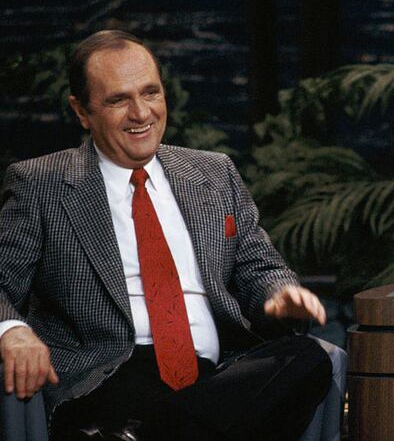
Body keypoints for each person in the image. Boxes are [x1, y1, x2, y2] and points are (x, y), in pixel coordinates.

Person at [0, 30, 334, 440]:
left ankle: (145, 434)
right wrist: (12, 331)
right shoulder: (42, 184)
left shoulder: (213, 173)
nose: (141, 114)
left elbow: (257, 265)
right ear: (82, 112)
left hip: (216, 373)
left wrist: (279, 293)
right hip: (110, 372)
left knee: (306, 358)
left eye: (151, 93)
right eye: (119, 100)